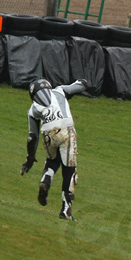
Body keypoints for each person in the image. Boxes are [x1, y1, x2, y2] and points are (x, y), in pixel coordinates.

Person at [21, 78, 88, 220]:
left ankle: (46, 179)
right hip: (66, 129)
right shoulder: (59, 91)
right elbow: (80, 86)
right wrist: (83, 82)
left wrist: (30, 158)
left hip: (47, 134)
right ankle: (65, 211)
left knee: (53, 160)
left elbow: (32, 137)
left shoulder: (32, 109)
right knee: (69, 170)